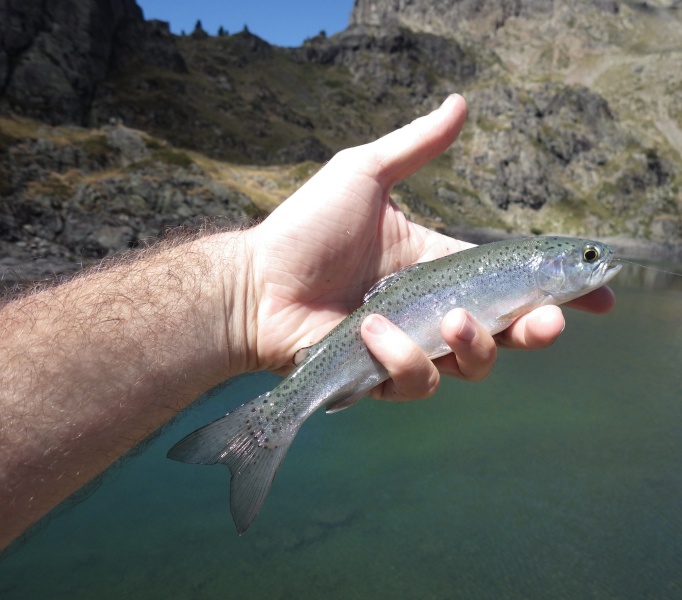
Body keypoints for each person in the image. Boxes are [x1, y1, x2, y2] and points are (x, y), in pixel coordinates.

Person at [0, 94, 614, 550]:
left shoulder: (525, 273)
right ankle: (269, 426)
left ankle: (269, 423)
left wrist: (239, 295)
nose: (598, 264)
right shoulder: (523, 268)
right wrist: (241, 286)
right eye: (587, 257)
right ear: (548, 264)